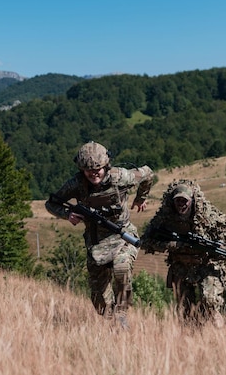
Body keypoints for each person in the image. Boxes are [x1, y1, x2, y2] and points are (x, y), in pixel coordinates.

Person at [45, 141, 154, 329]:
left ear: (106, 166)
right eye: (88, 171)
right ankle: (112, 325)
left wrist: (141, 198)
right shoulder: (76, 184)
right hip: (96, 242)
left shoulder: (121, 177)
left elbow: (148, 173)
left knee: (121, 268)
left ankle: (122, 312)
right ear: (82, 170)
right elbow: (51, 203)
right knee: (99, 299)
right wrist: (67, 214)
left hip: (122, 236)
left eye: (98, 169)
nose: (94, 174)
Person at [141, 179, 226, 326]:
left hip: (206, 265)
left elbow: (225, 234)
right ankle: (192, 340)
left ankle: (219, 336)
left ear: (192, 200)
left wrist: (219, 248)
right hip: (181, 267)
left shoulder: (208, 217)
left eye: (185, 201)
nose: (181, 204)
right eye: (178, 201)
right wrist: (171, 245)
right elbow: (146, 242)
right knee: (185, 312)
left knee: (209, 301)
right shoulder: (165, 218)